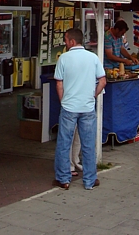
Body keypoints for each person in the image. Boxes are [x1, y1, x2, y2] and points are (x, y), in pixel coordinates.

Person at [53, 28, 105, 191]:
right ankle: (90, 180)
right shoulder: (93, 57)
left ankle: (63, 179)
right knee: (88, 144)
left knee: (64, 143)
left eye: (66, 40)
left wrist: (63, 101)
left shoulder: (64, 59)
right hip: (87, 106)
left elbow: (59, 83)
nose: (65, 43)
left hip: (69, 107)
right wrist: (93, 96)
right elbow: (102, 81)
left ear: (72, 42)